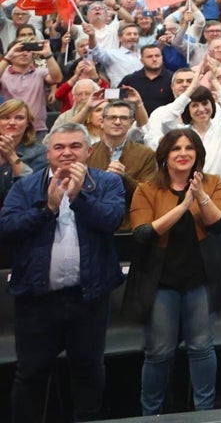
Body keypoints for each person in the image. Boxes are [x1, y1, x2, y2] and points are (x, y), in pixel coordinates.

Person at [0, 122, 126, 423]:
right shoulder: (25, 187)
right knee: (30, 374)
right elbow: (6, 229)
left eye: (74, 146)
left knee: (88, 370)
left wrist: (80, 197)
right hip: (36, 299)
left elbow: (112, 220)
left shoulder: (107, 183)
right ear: (48, 152)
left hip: (89, 297)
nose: (67, 153)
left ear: (89, 150)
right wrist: (48, 209)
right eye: (59, 147)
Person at [123, 128, 221, 415]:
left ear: (198, 154)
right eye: (176, 149)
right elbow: (143, 234)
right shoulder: (147, 188)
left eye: (189, 148)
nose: (183, 153)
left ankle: (205, 412)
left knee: (201, 348)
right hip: (160, 281)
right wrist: (184, 205)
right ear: (164, 156)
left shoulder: (213, 183)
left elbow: (219, 226)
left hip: (201, 280)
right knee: (159, 352)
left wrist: (200, 197)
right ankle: (151, 414)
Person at [0, 99, 49, 206]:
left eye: (19, 118)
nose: (12, 122)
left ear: (28, 123)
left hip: (20, 211)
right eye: (5, 118)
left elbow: (33, 190)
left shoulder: (40, 151)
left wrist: (12, 156)